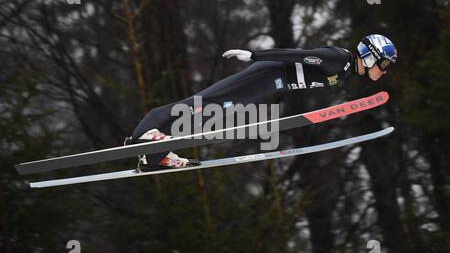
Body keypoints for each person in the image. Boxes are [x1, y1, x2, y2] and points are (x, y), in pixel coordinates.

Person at [124, 34, 398, 171]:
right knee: (204, 103)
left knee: (207, 112)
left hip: (267, 84)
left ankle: (157, 152)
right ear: (372, 56)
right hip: (266, 74)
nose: (384, 71)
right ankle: (143, 136)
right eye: (384, 64)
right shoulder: (340, 59)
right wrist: (254, 55)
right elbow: (298, 55)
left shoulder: (346, 70)